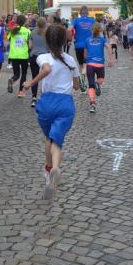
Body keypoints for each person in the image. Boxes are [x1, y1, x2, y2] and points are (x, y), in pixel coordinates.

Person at [22, 24, 80, 200]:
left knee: (49, 138)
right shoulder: (70, 60)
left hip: (47, 103)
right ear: (64, 41)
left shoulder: (43, 57)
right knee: (57, 141)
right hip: (65, 104)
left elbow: (47, 69)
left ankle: (49, 171)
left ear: (47, 41)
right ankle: (55, 167)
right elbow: (77, 86)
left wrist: (30, 83)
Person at [83, 23, 113, 113]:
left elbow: (85, 55)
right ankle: (97, 83)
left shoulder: (87, 40)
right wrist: (110, 59)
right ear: (100, 31)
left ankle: (92, 104)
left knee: (91, 85)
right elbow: (109, 47)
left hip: (90, 65)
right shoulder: (102, 40)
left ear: (91, 30)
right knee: (101, 79)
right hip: (100, 65)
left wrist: (87, 60)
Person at [7, 14, 31, 97]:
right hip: (24, 55)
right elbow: (30, 44)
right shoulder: (27, 31)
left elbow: (9, 40)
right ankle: (20, 92)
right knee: (24, 74)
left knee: (16, 74)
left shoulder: (12, 31)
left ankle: (12, 80)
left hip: (14, 55)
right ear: (24, 22)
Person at [72, 6, 95, 89]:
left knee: (81, 64)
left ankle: (83, 82)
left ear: (80, 12)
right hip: (89, 46)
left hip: (78, 45)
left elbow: (69, 29)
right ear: (88, 12)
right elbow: (99, 30)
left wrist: (70, 38)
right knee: (87, 64)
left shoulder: (76, 20)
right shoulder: (92, 20)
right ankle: (84, 79)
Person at [28, 17, 49, 107]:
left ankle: (34, 98)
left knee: (35, 77)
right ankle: (44, 97)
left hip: (34, 57)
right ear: (45, 24)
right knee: (46, 78)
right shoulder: (48, 33)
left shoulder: (32, 32)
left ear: (37, 24)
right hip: (45, 58)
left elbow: (30, 46)